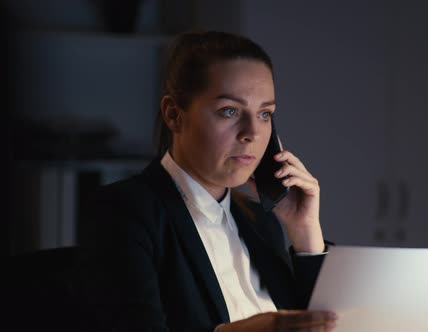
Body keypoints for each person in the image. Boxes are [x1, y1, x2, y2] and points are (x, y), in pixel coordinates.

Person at [77, 30, 338, 332]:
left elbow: (327, 324)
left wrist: (304, 231)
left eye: (265, 114)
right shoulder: (123, 211)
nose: (252, 133)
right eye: (230, 111)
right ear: (174, 115)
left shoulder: (261, 224)